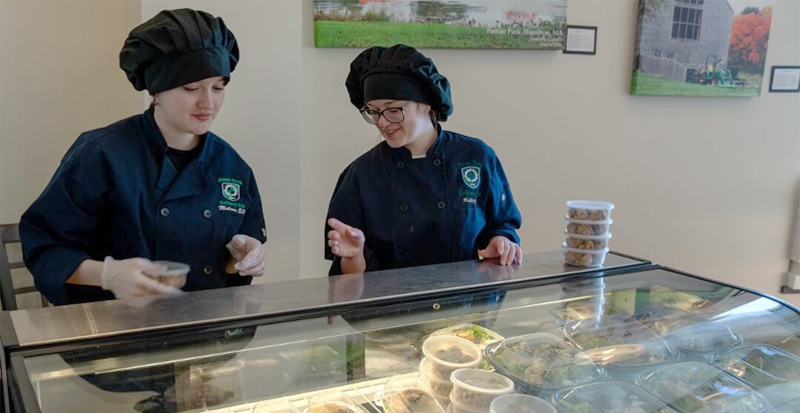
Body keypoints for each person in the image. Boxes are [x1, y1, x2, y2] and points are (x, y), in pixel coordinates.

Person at [20, 8, 266, 305]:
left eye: (218, 87)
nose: (208, 103)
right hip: (115, 331)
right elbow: (46, 250)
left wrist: (243, 257)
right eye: (191, 88)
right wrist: (107, 274)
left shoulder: (232, 167)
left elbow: (225, 270)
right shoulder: (102, 155)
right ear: (156, 89)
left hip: (205, 330)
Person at [325, 44, 522, 275]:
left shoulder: (475, 157)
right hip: (391, 307)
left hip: (464, 304)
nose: (382, 122)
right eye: (374, 112)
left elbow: (501, 223)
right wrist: (355, 255)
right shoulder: (361, 175)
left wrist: (502, 240)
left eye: (393, 109)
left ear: (426, 102)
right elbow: (349, 280)